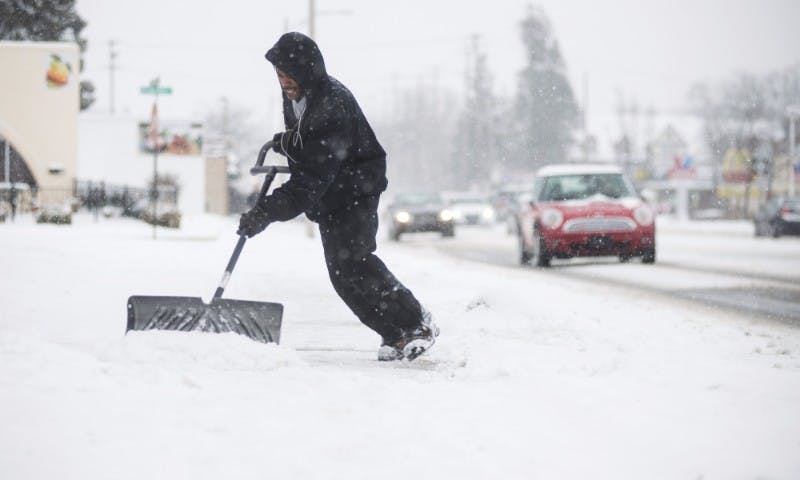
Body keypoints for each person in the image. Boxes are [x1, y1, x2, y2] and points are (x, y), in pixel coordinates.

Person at [237, 32, 439, 362]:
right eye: (279, 75)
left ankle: (417, 323)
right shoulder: (298, 97)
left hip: (356, 189)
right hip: (331, 194)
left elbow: (307, 182)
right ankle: (394, 333)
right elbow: (309, 143)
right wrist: (289, 142)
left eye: (289, 75)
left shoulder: (331, 105)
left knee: (356, 261)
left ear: (307, 71)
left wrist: (265, 211)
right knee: (342, 275)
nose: (284, 82)